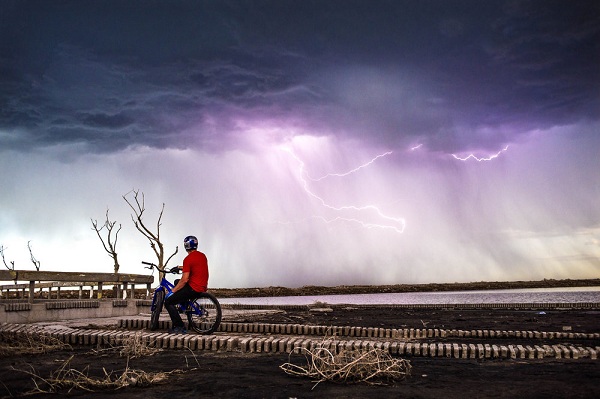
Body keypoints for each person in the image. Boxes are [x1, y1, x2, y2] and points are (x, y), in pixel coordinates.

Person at [163, 235, 209, 334]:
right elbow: (195, 266)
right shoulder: (202, 256)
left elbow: (184, 280)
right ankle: (183, 305)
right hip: (202, 287)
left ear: (186, 246)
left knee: (168, 302)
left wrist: (172, 291)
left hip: (193, 289)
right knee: (176, 282)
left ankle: (180, 327)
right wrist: (179, 267)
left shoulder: (188, 259)